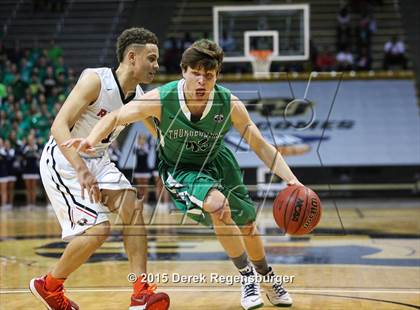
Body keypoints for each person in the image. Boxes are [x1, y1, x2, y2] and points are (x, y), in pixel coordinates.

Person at [64, 39, 302, 310]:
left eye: (208, 76)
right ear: (184, 71)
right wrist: (91, 139)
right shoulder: (162, 99)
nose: (201, 81)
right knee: (218, 206)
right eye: (196, 74)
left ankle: (267, 278)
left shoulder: (230, 104)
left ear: (217, 76)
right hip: (181, 169)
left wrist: (292, 180)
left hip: (218, 162)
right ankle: (247, 278)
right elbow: (116, 117)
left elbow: (260, 145)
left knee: (247, 225)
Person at [29, 27, 170, 310]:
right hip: (65, 159)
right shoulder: (96, 80)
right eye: (151, 59)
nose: (156, 66)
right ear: (132, 57)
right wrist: (81, 170)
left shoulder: (139, 95)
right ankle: (49, 286)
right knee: (99, 229)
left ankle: (141, 291)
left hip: (100, 159)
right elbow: (58, 126)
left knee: (132, 207)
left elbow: (159, 133)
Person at [133, 134, 152, 203]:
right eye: (140, 139)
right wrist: (139, 145)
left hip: (145, 169)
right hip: (138, 170)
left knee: (145, 188)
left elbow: (147, 151)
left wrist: (143, 146)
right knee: (139, 188)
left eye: (143, 139)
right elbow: (134, 152)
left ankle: (146, 203)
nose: (142, 140)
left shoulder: (147, 147)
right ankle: (141, 203)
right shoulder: (136, 147)